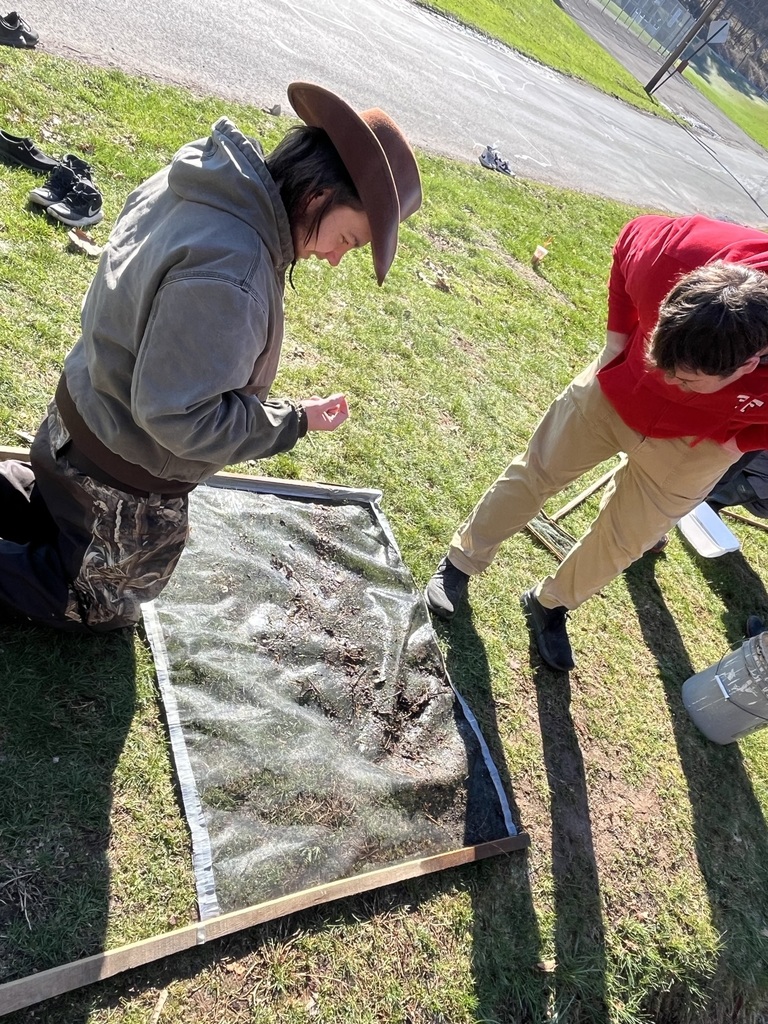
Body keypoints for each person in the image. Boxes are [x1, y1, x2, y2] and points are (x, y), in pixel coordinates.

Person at [0, 82, 421, 632]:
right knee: (100, 604)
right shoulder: (235, 271)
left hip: (73, 415)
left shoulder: (206, 178)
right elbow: (180, 417)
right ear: (319, 196)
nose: (337, 259)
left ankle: (49, 504)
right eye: (349, 239)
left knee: (50, 512)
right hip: (118, 470)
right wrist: (288, 422)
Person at [425, 214, 768, 672]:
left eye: (683, 378)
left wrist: (737, 441)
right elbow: (627, 243)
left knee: (628, 538)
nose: (666, 379)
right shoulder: (676, 250)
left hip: (703, 442)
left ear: (747, 366)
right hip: (615, 389)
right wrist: (615, 344)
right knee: (536, 472)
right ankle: (460, 563)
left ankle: (552, 603)